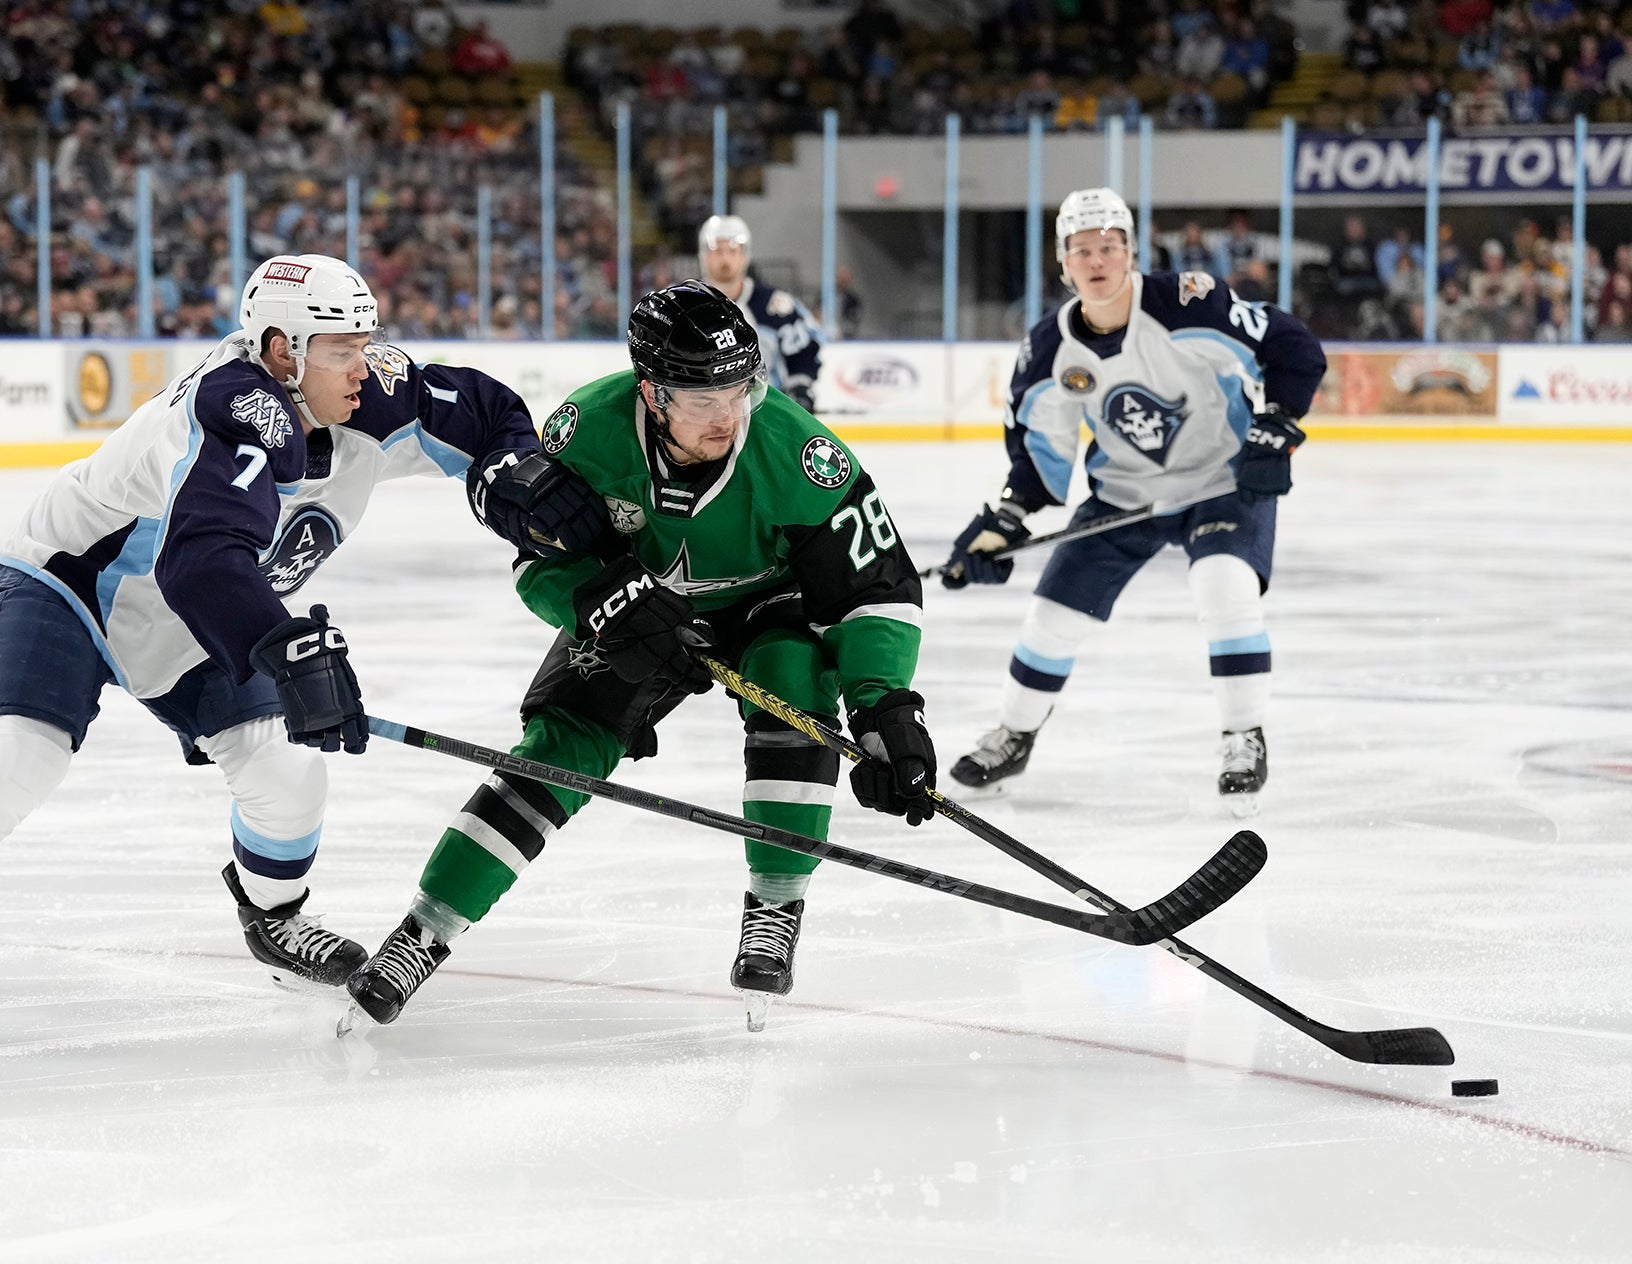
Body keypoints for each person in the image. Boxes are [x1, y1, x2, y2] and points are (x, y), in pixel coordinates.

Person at [0, 254, 608, 1039]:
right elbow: (202, 558)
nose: (362, 367)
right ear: (279, 353)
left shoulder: (372, 390)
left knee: (288, 768)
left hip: (192, 621)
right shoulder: (238, 410)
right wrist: (284, 649)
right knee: (19, 753)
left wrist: (517, 475)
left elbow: (485, 410)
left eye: (364, 343)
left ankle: (274, 919)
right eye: (340, 351)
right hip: (73, 587)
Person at [340, 281, 933, 1033]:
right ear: (652, 393)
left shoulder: (799, 454)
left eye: (740, 389)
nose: (728, 414)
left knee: (796, 687)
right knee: (561, 746)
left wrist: (885, 706)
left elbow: (874, 586)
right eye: (701, 396)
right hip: (631, 606)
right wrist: (601, 603)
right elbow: (537, 564)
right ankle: (422, 933)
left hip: (766, 606)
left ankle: (776, 904)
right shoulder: (584, 432)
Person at [936, 187, 1325, 815]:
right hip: (1123, 495)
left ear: (1133, 254)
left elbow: (1289, 346)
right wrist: (1007, 516)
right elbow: (1039, 451)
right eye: (1082, 250)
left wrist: (1276, 422)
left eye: (1110, 247)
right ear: (1063, 264)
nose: (1097, 261)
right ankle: (1014, 736)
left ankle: (1243, 736)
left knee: (1224, 589)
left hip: (1222, 481)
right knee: (1052, 618)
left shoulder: (1185, 304)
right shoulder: (1048, 351)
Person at [697, 215, 825, 412]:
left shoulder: (776, 307)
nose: (725, 259)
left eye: (733, 251)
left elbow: (805, 352)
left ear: (745, 256)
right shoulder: (682, 305)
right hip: (701, 414)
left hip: (766, 413)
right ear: (703, 255)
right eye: (717, 251)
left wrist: (800, 391)